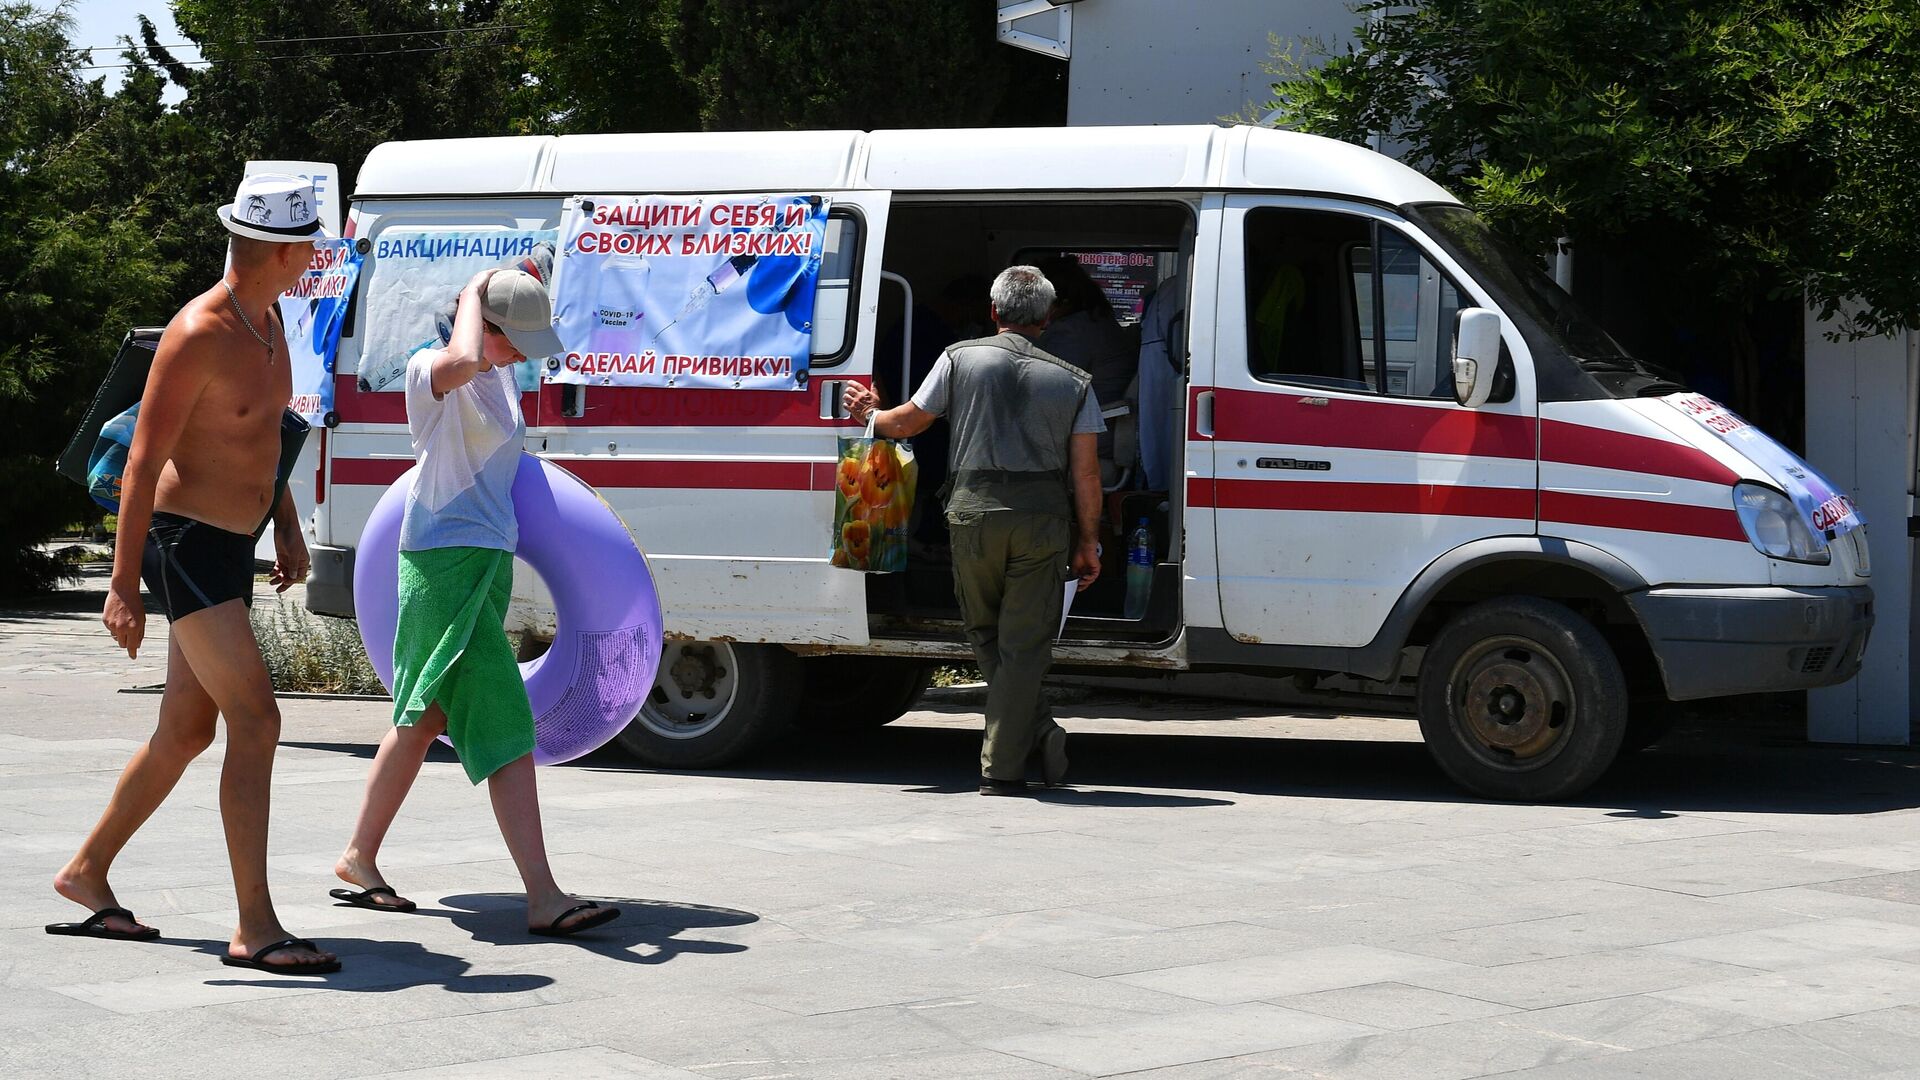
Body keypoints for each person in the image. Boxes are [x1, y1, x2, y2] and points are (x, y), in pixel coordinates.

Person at [49, 174, 338, 974]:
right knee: (258, 719)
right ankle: (254, 925)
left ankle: (85, 872)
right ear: (280, 249)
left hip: (231, 545)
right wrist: (118, 585)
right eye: (308, 241)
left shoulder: (274, 320)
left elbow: (268, 439)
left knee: (187, 730)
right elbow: (142, 463)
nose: (315, 252)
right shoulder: (199, 331)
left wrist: (284, 525)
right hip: (182, 544)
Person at [329, 263, 619, 937]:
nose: (523, 353)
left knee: (422, 717)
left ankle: (358, 857)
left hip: (482, 560)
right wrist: (473, 290)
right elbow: (462, 354)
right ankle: (543, 896)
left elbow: (490, 362)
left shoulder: (499, 375)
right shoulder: (433, 371)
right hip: (440, 561)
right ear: (479, 324)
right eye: (512, 337)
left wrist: (521, 281)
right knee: (504, 720)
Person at [843, 266, 1104, 795]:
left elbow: (908, 422)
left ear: (994, 313)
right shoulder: (1074, 381)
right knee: (1024, 645)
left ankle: (1019, 748)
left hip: (973, 514)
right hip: (1042, 520)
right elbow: (1087, 473)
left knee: (985, 633)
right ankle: (1013, 758)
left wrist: (872, 411)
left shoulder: (958, 358)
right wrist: (1088, 540)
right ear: (1048, 316)